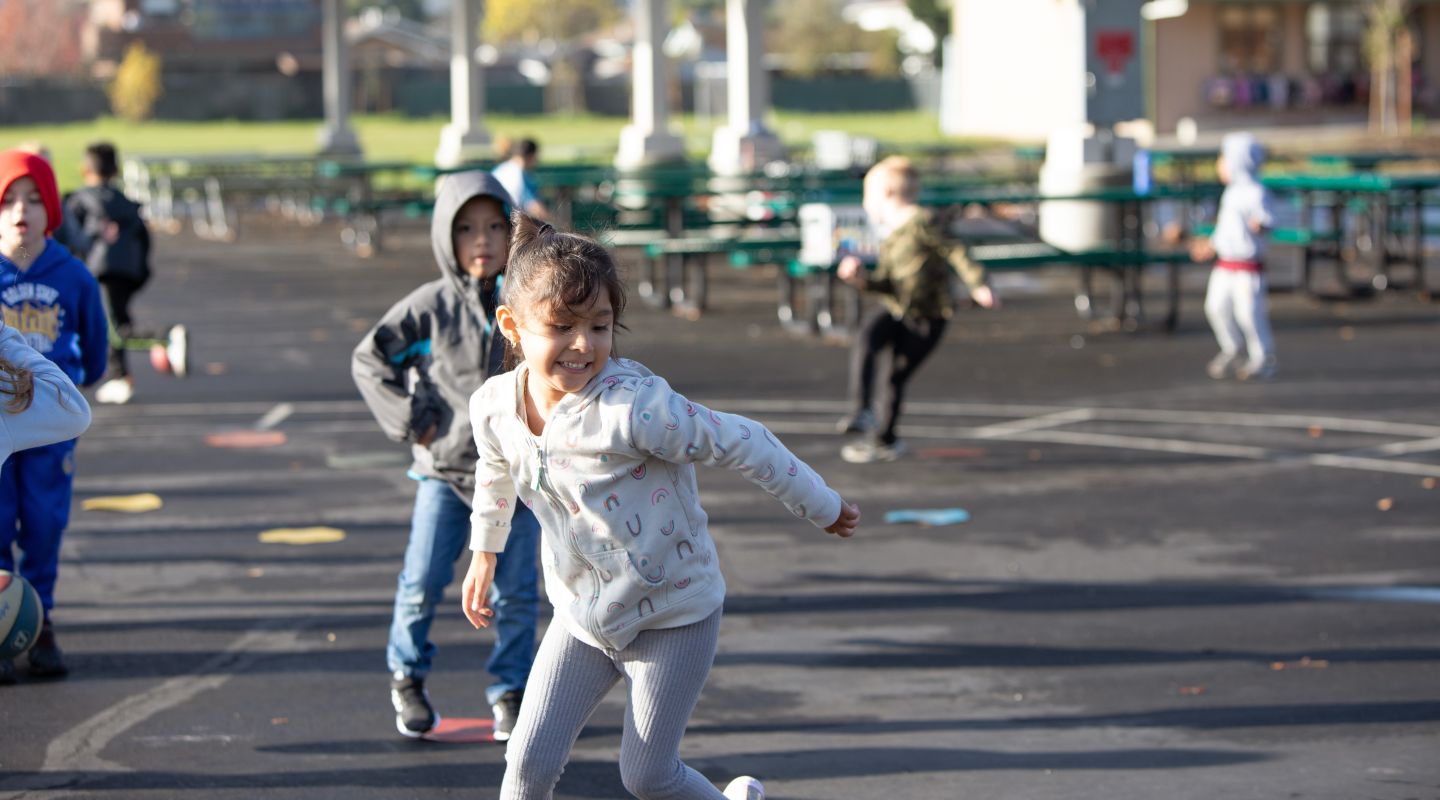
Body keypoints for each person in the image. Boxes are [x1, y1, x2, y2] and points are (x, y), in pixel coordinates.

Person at [460, 214, 861, 800]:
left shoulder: (635, 409)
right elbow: (494, 469)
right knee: (525, 767)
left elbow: (741, 439)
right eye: (561, 326)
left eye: (600, 326)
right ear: (512, 326)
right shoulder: (495, 405)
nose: (583, 344)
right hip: (583, 617)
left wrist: (820, 504)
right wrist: (484, 553)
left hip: (672, 614)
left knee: (649, 776)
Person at [352, 171, 541, 741]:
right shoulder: (428, 308)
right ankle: (407, 678)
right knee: (423, 581)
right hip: (447, 474)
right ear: (444, 237)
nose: (481, 240)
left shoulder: (528, 301)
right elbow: (368, 360)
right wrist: (412, 419)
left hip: (518, 478)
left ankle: (510, 691)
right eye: (464, 229)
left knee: (517, 592)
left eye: (493, 227)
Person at [0, 149, 109, 681]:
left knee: (44, 522)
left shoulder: (72, 275)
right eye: (9, 200)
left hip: (45, 425)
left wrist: (88, 374)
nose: (21, 210)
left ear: (53, 209)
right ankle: (0, 623)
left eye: (34, 199)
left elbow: (95, 339)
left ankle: (40, 619)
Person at [834, 155, 998, 464]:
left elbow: (955, 249)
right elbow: (886, 284)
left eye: (867, 196)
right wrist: (860, 280)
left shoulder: (923, 221)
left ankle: (885, 439)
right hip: (897, 307)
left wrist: (978, 283)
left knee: (895, 376)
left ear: (885, 194)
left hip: (928, 316)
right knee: (867, 337)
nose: (865, 204)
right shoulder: (891, 236)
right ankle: (862, 411)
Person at [58, 142, 153, 405]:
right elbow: (144, 242)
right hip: (127, 272)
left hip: (98, 271)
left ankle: (149, 350)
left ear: (84, 169)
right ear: (116, 170)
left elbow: (70, 239)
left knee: (110, 326)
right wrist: (140, 273)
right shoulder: (127, 204)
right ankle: (123, 373)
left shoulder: (78, 201)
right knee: (116, 318)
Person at [1189, 132, 1277, 381]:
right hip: (1225, 265)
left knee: (1249, 313)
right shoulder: (1230, 194)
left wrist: (1261, 225)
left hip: (1247, 266)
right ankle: (1232, 347)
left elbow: (1268, 220)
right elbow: (1225, 230)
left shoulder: (1257, 192)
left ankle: (1263, 356)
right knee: (1215, 307)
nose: (1220, 165)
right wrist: (1210, 245)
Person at [492, 138, 549, 221]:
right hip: (507, 222)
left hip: (493, 218)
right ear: (531, 156)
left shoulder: (500, 169)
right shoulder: (521, 174)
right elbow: (536, 208)